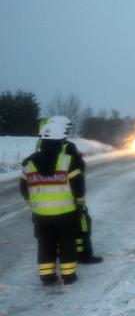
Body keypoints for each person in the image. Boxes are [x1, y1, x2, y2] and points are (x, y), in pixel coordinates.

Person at [19, 119, 85, 285]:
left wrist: (34, 201)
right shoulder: (68, 161)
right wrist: (79, 202)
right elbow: (78, 185)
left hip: (41, 215)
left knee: (45, 245)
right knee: (66, 244)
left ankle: (47, 276)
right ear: (60, 141)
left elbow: (23, 188)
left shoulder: (29, 163)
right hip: (66, 213)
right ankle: (69, 276)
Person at [36, 116, 102, 263]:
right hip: (69, 193)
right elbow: (79, 168)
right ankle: (84, 255)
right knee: (82, 223)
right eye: (66, 129)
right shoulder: (68, 146)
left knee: (54, 231)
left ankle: (61, 254)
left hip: (47, 197)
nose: (66, 132)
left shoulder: (41, 146)